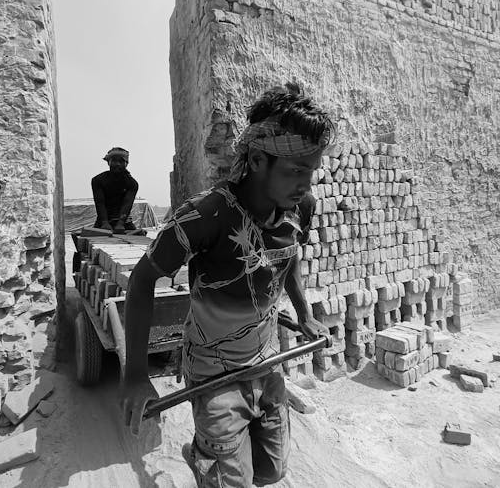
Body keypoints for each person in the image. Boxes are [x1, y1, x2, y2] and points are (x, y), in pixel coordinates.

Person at [119, 83, 334, 487]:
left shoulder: (298, 206)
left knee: (272, 471)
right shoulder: (205, 216)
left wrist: (304, 313)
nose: (306, 183)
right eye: (295, 170)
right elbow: (143, 279)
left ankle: (210, 459)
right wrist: (134, 374)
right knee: (229, 481)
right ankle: (210, 460)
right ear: (256, 160)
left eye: (312, 169)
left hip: (265, 363)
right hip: (213, 372)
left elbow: (289, 257)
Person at [91, 147, 139, 233]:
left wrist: (120, 223)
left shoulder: (132, 183)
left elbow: (127, 204)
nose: (117, 164)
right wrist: (104, 222)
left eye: (121, 161)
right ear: (108, 162)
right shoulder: (98, 180)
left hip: (124, 222)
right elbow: (100, 203)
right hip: (103, 221)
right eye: (114, 161)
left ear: (126, 163)